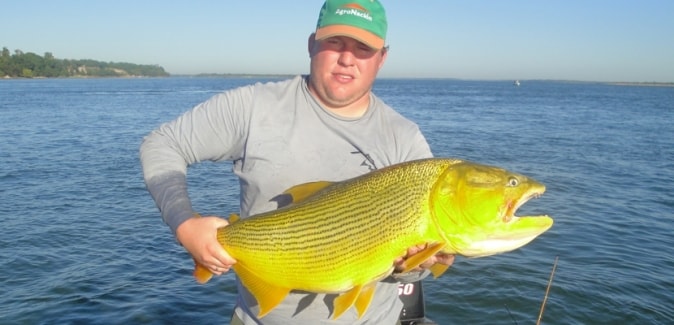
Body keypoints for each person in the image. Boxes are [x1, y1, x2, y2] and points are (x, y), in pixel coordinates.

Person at [140, 0, 454, 324]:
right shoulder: (254, 108)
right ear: (311, 45)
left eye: (363, 48)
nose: (347, 59)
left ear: (382, 58)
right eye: (335, 43)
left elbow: (410, 272)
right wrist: (185, 225)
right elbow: (162, 144)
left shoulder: (404, 139)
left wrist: (415, 268)